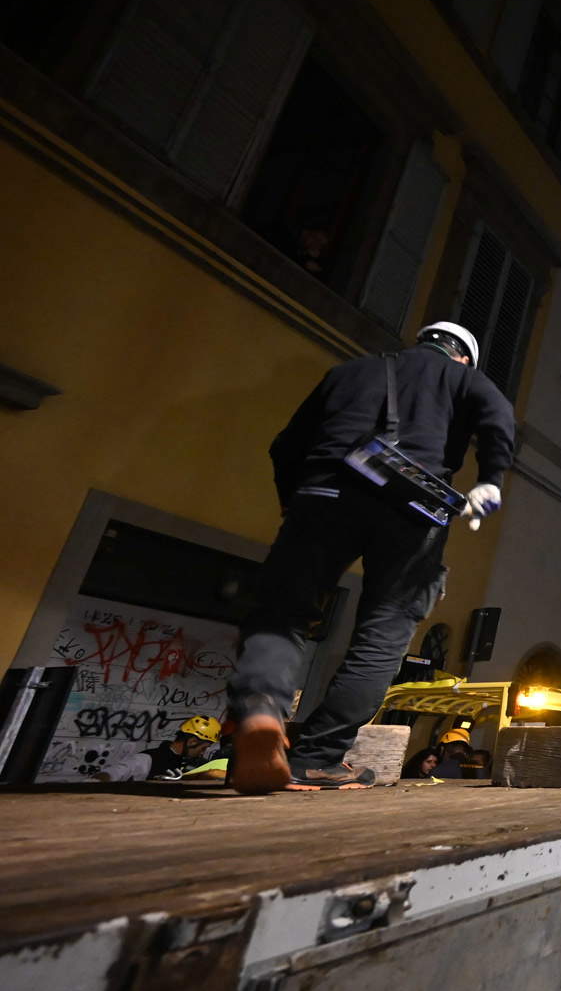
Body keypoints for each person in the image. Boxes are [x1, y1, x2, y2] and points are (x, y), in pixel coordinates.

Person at [228, 321, 515, 793]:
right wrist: (491, 478)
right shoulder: (464, 379)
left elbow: (285, 445)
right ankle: (315, 758)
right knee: (383, 632)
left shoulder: (348, 371)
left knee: (281, 613)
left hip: (322, 495)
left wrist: (292, 501)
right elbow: (498, 416)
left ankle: (261, 711)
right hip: (410, 510)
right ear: (464, 356)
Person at [95, 716, 221, 782]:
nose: (203, 753)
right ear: (192, 742)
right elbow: (111, 774)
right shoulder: (148, 759)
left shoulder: (195, 764)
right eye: (203, 748)